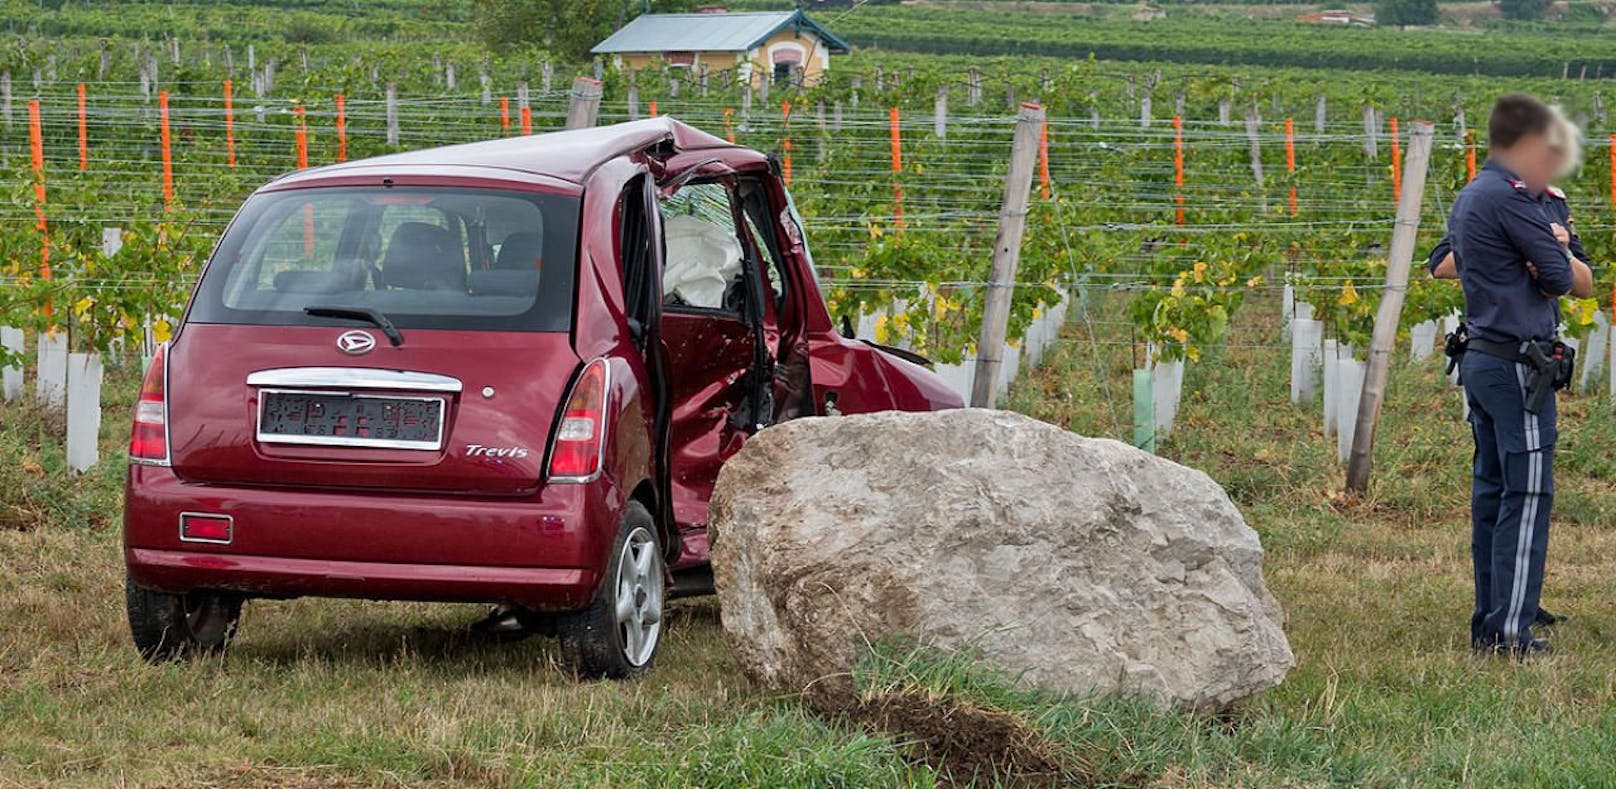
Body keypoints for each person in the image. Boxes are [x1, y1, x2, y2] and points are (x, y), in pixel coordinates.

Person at [1427, 104, 1594, 631]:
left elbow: (1577, 277)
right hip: (1514, 361)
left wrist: (1551, 246)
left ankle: (1503, 606)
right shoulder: (1506, 198)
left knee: (1496, 489)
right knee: (1526, 493)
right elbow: (1555, 279)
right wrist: (1543, 251)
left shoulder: (1496, 195)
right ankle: (1506, 628)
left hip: (1488, 356)